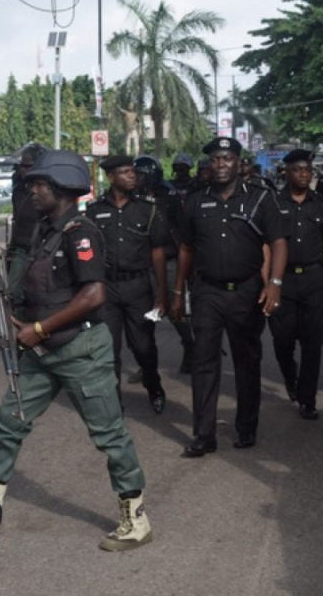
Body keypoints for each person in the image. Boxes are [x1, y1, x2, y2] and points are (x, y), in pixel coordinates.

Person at [0, 149, 152, 554]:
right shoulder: (43, 229)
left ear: (60, 188)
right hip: (43, 353)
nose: (33, 190)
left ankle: (135, 516)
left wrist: (39, 328)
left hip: (80, 350)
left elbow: (94, 294)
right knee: (9, 421)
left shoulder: (82, 232)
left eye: (39, 184)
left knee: (109, 435)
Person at [171, 137, 290, 456]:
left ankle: (246, 427)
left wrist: (275, 283)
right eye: (215, 159)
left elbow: (278, 242)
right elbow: (186, 248)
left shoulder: (260, 199)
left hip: (247, 292)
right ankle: (203, 435)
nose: (220, 164)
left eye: (227, 158)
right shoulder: (195, 201)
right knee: (203, 362)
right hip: (206, 291)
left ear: (238, 162)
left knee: (246, 362)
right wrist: (178, 291)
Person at [86, 155, 169, 413]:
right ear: (111, 177)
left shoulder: (148, 209)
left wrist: (162, 293)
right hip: (107, 289)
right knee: (109, 350)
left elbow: (158, 252)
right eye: (125, 172)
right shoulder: (94, 211)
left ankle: (153, 385)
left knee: (144, 346)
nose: (132, 176)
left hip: (138, 288)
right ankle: (114, 402)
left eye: (133, 172)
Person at [268, 149, 321, 420]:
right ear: (286, 172)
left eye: (307, 170)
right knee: (282, 340)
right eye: (298, 170)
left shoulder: (319, 203)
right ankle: (291, 379)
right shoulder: (273, 203)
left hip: (314, 280)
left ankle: (307, 399)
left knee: (313, 343)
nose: (304, 174)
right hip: (283, 282)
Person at [135, 154, 194, 375]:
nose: (136, 178)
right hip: (142, 261)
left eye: (140, 175)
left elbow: (181, 231)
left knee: (172, 309)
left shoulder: (168, 195)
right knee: (143, 315)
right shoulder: (133, 196)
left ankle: (190, 345)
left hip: (168, 260)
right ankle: (147, 363)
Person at [5, 143, 48, 305]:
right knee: (12, 292)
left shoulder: (49, 191)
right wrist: (12, 246)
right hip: (21, 249)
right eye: (21, 165)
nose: (22, 169)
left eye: (26, 165)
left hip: (41, 249)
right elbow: (17, 219)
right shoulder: (19, 188)